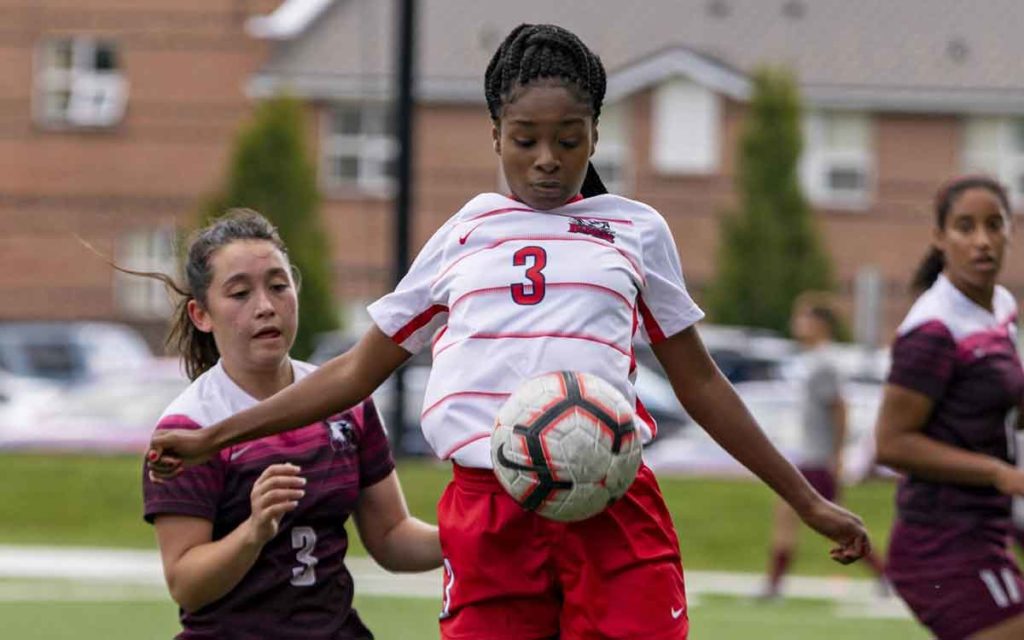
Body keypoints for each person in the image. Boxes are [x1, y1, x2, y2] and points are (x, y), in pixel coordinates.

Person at [149, 24, 869, 640]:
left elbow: (701, 382)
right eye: (525, 139)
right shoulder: (465, 234)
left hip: (613, 507)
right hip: (488, 512)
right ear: (495, 133)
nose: (548, 159)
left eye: (570, 138)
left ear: (596, 134)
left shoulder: (635, 231)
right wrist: (217, 436)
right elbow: (353, 372)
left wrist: (806, 499)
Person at [138, 210, 441, 639]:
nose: (265, 307)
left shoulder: (344, 404)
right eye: (240, 293)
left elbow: (391, 536)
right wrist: (253, 531)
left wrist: (470, 535)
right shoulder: (192, 429)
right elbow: (187, 585)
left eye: (278, 286)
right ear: (201, 314)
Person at [875, 175, 1024, 640]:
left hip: (987, 528)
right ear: (939, 237)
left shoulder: (1000, 305)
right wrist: (1000, 474)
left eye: (994, 225)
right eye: (965, 227)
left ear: (1010, 231)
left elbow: (1000, 405)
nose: (982, 241)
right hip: (939, 541)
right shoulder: (934, 329)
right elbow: (892, 444)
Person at [761, 293, 888, 599]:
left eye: (802, 316)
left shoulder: (824, 363)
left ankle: (885, 575)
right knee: (794, 514)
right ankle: (774, 584)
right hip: (808, 456)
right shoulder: (810, 361)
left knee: (833, 519)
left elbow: (839, 408)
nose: (796, 323)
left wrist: (837, 456)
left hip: (818, 459)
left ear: (819, 324)